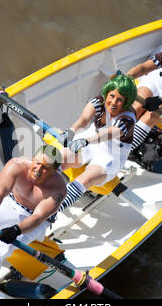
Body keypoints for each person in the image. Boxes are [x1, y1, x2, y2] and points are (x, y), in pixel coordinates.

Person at [0, 145, 66, 287]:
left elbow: (37, 217)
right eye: (37, 163)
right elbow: (1, 191)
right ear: (33, 159)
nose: (38, 169)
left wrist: (16, 230)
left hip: (33, 221)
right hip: (9, 203)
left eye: (45, 168)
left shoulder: (58, 189)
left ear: (54, 171)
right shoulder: (16, 165)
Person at [56, 74, 137, 212]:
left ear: (127, 102)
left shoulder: (128, 118)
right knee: (56, 159)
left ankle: (52, 212)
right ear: (106, 93)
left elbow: (111, 132)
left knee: (85, 179)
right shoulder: (98, 101)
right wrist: (70, 133)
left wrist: (85, 141)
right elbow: (83, 120)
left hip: (112, 155)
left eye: (120, 100)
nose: (113, 102)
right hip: (91, 140)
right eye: (112, 96)